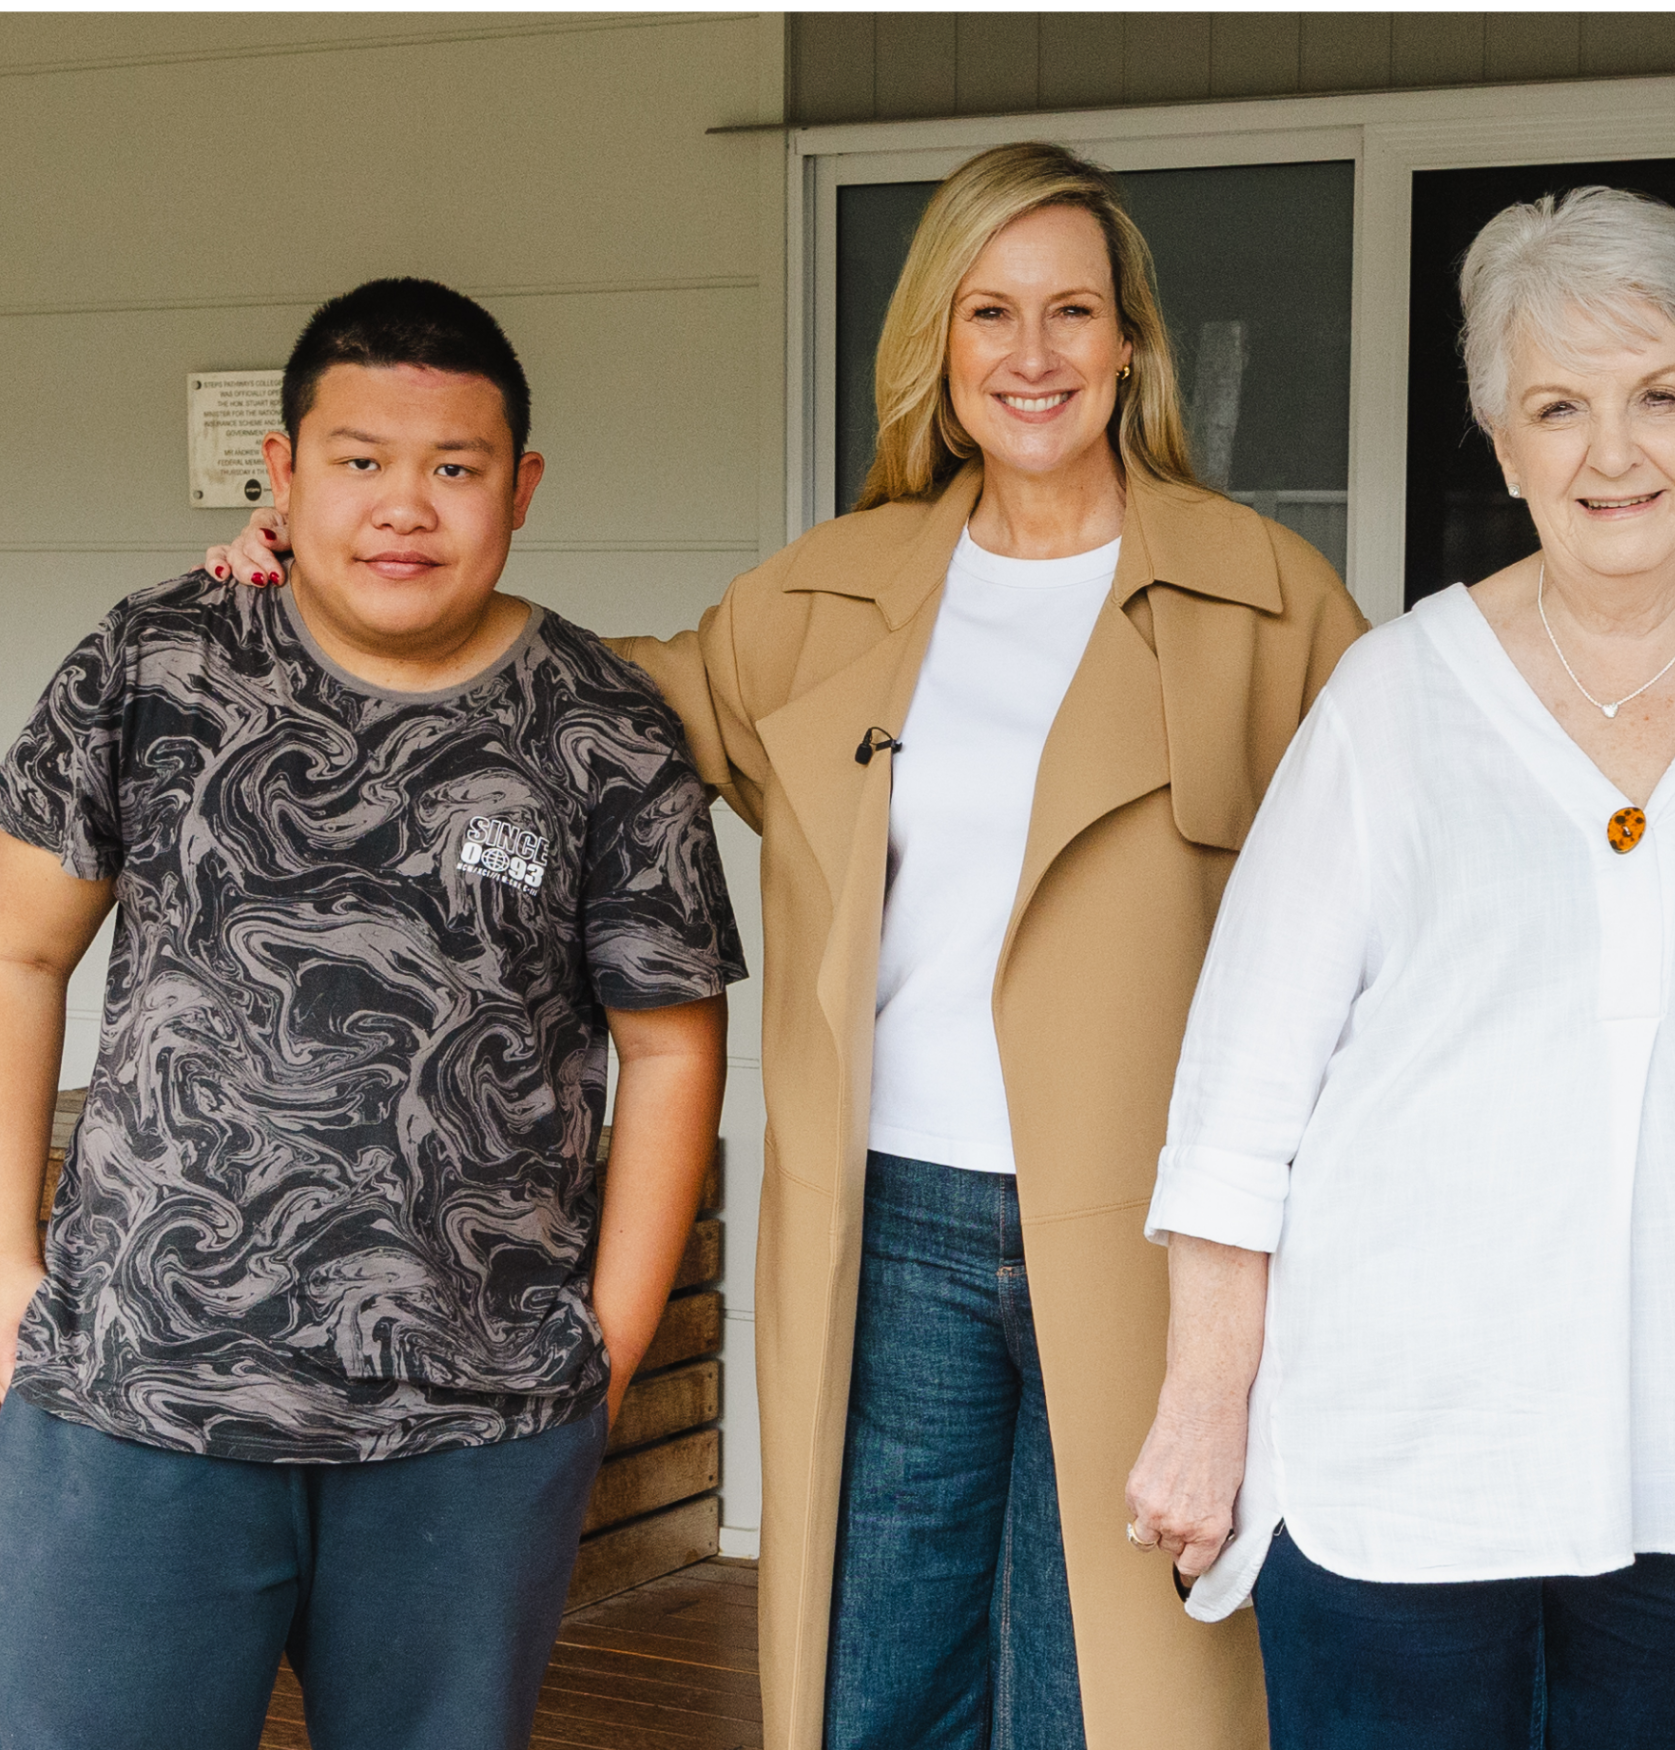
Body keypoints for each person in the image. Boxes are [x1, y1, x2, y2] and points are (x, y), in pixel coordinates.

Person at [213, 144, 1363, 1750]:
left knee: (1108, 1691)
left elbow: (1376, 939)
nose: (1032, 355)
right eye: (990, 314)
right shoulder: (837, 593)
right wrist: (338, 588)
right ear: (940, 350)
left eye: (1071, 312)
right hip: (887, 1225)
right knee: (876, 1675)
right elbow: (599, 698)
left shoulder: (1272, 601)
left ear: (1130, 344)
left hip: (1157, 1237)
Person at [1123, 185, 1675, 1749]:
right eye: (1556, 408)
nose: (1612, 451)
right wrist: (1201, 1412)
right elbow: (1245, 1084)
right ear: (1502, 447)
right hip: (1402, 1455)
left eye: (1659, 394)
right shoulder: (1395, 698)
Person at [0, 278, 746, 1750]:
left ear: (519, 487)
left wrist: (609, 1345)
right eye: (360, 460)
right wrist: (10, 1274)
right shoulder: (155, 662)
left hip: (467, 1426)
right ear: (283, 472)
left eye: (452, 467)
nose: (405, 506)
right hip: (136, 1395)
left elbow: (669, 1041)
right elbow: (13, 956)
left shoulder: (604, 732)